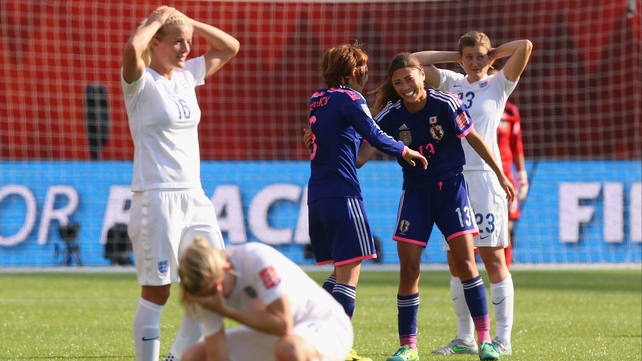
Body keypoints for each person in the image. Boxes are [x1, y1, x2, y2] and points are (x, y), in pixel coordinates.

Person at [352, 52, 514, 361]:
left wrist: (500, 174)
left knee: (467, 265)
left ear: (422, 76)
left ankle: (485, 342)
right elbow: (362, 154)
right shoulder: (391, 115)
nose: (403, 87)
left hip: (452, 190)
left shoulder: (447, 104)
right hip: (416, 194)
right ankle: (408, 347)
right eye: (397, 82)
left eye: (408, 79)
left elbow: (476, 139)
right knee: (409, 270)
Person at [121, 6, 240, 361]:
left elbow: (229, 47)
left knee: (214, 285)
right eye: (176, 43)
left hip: (195, 196)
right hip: (156, 198)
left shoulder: (187, 75)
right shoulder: (139, 82)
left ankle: (175, 358)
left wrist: (188, 24)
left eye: (188, 43)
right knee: (157, 293)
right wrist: (157, 19)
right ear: (155, 43)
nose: (185, 49)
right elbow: (131, 50)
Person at [412, 31, 532, 356]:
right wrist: (453, 57)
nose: (475, 62)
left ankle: (503, 340)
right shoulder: (451, 80)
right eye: (469, 57)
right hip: (452, 180)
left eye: (480, 56)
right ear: (461, 58)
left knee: (492, 257)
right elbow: (413, 62)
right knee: (457, 260)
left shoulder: (498, 83)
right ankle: (464, 337)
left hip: (485, 180)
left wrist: (492, 54)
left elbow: (524, 47)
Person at [307, 43, 427, 361]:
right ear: (352, 72)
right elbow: (374, 134)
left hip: (317, 196)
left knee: (340, 271)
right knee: (350, 273)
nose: (366, 75)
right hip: (343, 194)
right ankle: (337, 349)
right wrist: (405, 150)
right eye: (362, 68)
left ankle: (307, 331)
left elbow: (354, 151)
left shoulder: (318, 99)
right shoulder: (350, 98)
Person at [177, 236, 354, 361]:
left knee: (290, 349)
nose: (215, 297)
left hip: (327, 325)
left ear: (225, 268)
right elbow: (218, 357)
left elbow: (283, 324)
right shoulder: (202, 289)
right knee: (194, 356)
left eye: (216, 289)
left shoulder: (257, 259)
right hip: (275, 336)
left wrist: (226, 311)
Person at [488, 65, 530, 269]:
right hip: (478, 175)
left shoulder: (510, 111)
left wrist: (522, 177)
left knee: (506, 229)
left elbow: (516, 145)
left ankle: (503, 276)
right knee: (474, 231)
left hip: (505, 176)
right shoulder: (469, 106)